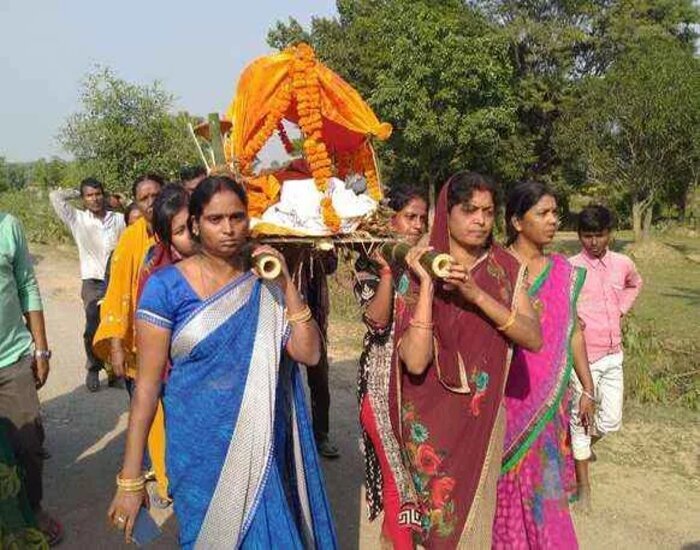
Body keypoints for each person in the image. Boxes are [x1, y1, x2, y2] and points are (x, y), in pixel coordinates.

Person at [108, 175, 337, 548]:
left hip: (262, 444)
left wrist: (287, 286)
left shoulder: (264, 281)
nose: (229, 229)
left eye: (237, 217)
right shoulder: (165, 288)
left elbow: (308, 353)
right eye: (215, 219)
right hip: (199, 449)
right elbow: (147, 389)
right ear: (195, 224)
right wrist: (131, 479)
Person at [393, 172, 542, 549]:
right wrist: (427, 284)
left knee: (470, 525)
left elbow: (533, 337)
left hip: (480, 418)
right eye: (470, 210)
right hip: (426, 419)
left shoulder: (506, 269)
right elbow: (413, 361)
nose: (480, 220)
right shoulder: (419, 262)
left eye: (488, 212)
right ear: (447, 213)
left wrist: (476, 295)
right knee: (419, 527)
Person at [492, 181, 596, 549]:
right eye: (544, 213)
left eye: (555, 213)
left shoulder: (565, 274)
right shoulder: (495, 268)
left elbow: (573, 333)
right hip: (503, 399)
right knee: (502, 483)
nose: (553, 221)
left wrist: (588, 387)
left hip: (548, 404)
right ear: (517, 222)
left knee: (546, 489)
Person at [352, 185, 428, 547]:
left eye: (422, 219)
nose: (416, 226)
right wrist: (386, 273)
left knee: (420, 486)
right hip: (382, 392)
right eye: (409, 217)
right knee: (400, 487)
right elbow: (378, 321)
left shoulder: (427, 264)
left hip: (419, 392)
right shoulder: (367, 267)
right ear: (390, 220)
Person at [93, 174, 169, 505]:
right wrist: (116, 345)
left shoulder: (184, 230)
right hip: (143, 347)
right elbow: (117, 293)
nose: (151, 202)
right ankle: (165, 480)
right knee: (150, 412)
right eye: (144, 197)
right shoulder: (129, 241)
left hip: (182, 346)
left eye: (156, 194)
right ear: (136, 204)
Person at [569, 205, 642, 505]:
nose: (594, 242)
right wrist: (573, 317)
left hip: (614, 355)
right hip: (584, 356)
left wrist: (622, 308)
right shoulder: (570, 267)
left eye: (599, 235)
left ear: (610, 234)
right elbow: (556, 302)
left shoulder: (623, 263)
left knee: (610, 420)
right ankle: (583, 487)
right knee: (581, 421)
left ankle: (576, 449)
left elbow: (636, 284)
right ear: (579, 236)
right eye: (587, 236)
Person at [0, 212, 62, 546]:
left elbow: (26, 285)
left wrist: (41, 349)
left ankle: (34, 508)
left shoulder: (8, 226)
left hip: (12, 358)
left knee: (28, 446)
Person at [49, 178, 126, 392]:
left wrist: (120, 201)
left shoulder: (118, 219)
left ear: (104, 194)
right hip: (92, 281)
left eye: (98, 193)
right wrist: (77, 191)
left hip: (116, 278)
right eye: (89, 195)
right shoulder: (77, 219)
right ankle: (93, 368)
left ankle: (114, 373)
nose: (95, 198)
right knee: (93, 325)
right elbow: (55, 197)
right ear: (84, 199)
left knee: (116, 325)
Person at [287, 249, 340, 459]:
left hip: (315, 319)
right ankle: (287, 439)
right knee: (283, 380)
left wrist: (322, 251)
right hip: (286, 318)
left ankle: (321, 436)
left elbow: (331, 267)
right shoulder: (283, 238)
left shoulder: (320, 239)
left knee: (319, 380)